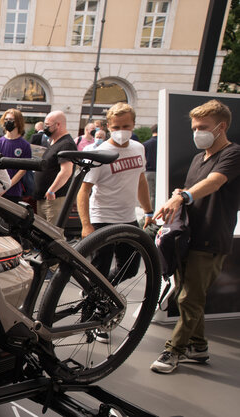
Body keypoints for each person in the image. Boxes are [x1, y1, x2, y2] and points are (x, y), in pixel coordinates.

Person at [150, 100, 240, 374]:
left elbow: (214, 182)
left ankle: (174, 351)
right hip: (188, 237)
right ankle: (198, 346)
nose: (196, 132)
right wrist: (176, 199)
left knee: (189, 297)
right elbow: (191, 190)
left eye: (202, 127)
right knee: (187, 297)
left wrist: (183, 195)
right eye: (194, 127)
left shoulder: (233, 153)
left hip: (212, 238)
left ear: (221, 127)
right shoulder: (197, 158)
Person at [77, 103, 153, 344]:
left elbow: (140, 179)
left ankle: (95, 290)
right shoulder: (101, 154)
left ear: (133, 125)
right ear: (108, 127)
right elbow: (84, 191)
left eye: (126, 126)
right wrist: (86, 224)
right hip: (102, 219)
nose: (122, 131)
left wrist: (148, 209)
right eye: (117, 127)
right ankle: (94, 319)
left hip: (128, 218)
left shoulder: (139, 148)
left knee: (130, 267)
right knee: (99, 269)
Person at [34, 110, 77, 224]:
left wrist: (52, 190)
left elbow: (66, 171)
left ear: (58, 125)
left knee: (53, 233)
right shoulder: (54, 142)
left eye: (47, 125)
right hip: (45, 198)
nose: (45, 128)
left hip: (54, 199)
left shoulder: (66, 144)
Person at [0, 108, 33, 203]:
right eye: (6, 120)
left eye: (11, 120)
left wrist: (7, 186)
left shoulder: (24, 145)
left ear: (18, 122)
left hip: (14, 192)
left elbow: (22, 170)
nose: (7, 122)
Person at [143, 124, 158, 208]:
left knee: (150, 194)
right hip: (159, 171)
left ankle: (150, 212)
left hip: (148, 172)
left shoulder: (145, 144)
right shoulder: (163, 144)